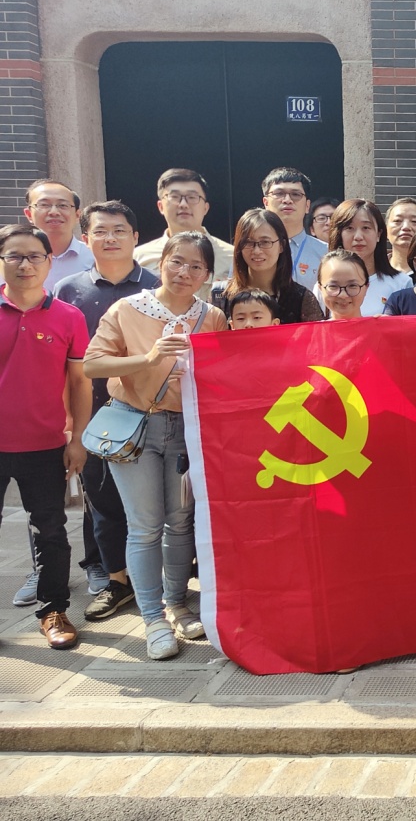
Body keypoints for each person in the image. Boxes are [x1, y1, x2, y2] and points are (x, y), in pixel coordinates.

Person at [84, 231, 228, 660]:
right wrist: (148, 359)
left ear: (207, 274)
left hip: (187, 431)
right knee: (145, 525)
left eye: (196, 266)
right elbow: (92, 364)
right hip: (136, 427)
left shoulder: (212, 316)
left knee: (180, 522)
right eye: (177, 261)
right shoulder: (127, 309)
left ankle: (177, 604)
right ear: (161, 261)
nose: (185, 272)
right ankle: (152, 618)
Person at [53, 201, 159, 623]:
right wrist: (69, 424)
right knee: (104, 504)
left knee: (160, 509)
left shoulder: (157, 287)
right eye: (100, 231)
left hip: (153, 414)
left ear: (136, 237)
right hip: (94, 417)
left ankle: (165, 585)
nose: (110, 238)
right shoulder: (68, 290)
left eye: (119, 230)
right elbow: (62, 364)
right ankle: (117, 580)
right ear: (86, 238)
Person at [0, 223, 92, 649]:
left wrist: (78, 439)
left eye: (35, 256)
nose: (26, 264)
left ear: (49, 261)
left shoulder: (68, 317)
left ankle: (53, 610)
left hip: (45, 444)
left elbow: (80, 383)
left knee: (51, 530)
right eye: (15, 255)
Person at [134, 169, 233, 300]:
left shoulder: (232, 257)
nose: (183, 204)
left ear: (205, 208)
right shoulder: (138, 257)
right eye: (174, 197)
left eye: (192, 197)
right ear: (160, 206)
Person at [211, 209, 322, 324]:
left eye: (265, 242)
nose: (256, 251)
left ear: (282, 245)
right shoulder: (222, 297)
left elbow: (319, 335)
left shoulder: (301, 299)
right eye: (248, 242)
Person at [327, 198, 411, 317]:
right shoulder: (327, 285)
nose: (358, 237)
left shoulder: (401, 283)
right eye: (349, 228)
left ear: (379, 234)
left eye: (366, 228)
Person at [261, 167, 326, 291]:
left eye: (295, 194)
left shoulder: (325, 253)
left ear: (307, 206)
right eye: (279, 193)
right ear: (266, 203)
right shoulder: (251, 249)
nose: (287, 200)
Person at [23, 180, 91, 287]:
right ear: (29, 214)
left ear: (77, 215)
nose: (54, 212)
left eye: (63, 205)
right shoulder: (9, 260)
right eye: (44, 205)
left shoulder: (95, 258)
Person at [317, 250, 370, 321]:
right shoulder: (313, 328)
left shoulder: (379, 327)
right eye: (333, 286)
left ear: (366, 287)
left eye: (352, 285)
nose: (343, 295)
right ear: (320, 288)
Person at [385, 198, 416, 276]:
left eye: (414, 221)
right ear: (386, 230)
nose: (406, 227)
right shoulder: (372, 271)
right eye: (397, 221)